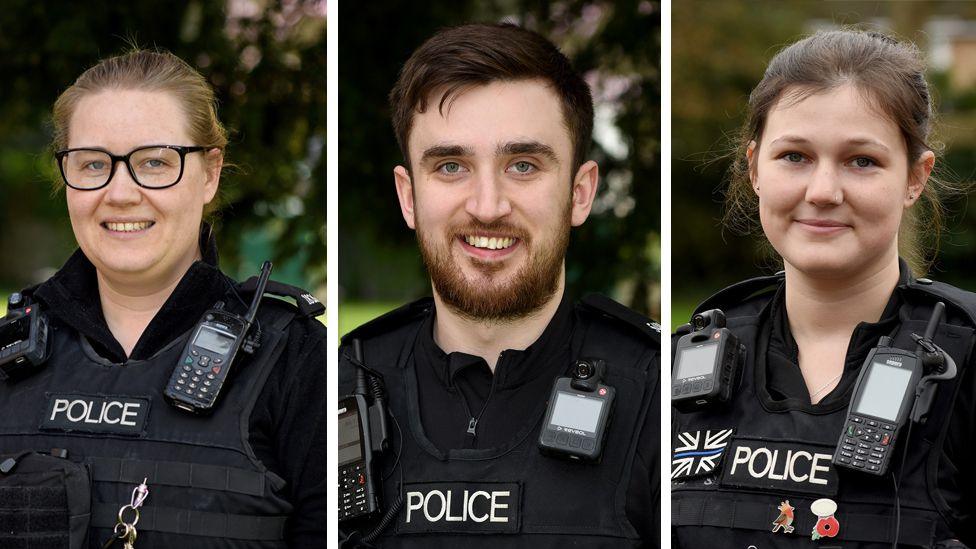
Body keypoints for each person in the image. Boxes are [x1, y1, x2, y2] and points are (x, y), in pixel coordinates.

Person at [338, 23, 660, 548]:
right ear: (408, 197)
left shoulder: (659, 397)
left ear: (580, 194)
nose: (488, 206)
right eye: (450, 165)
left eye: (524, 165)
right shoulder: (334, 388)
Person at [0, 50, 327, 548]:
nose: (121, 192)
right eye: (92, 164)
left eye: (154, 162)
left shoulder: (298, 361)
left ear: (210, 174)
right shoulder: (9, 356)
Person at [671, 30, 975, 548]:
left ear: (915, 178)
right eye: (794, 156)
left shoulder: (965, 357)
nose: (823, 192)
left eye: (862, 161)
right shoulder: (675, 366)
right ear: (754, 168)